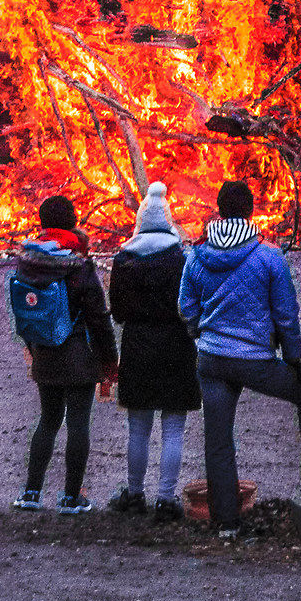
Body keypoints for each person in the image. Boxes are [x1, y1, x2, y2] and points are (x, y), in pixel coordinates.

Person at [178, 177, 301, 539]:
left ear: (219, 209)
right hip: (255, 361)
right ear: (251, 210)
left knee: (218, 439)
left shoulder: (196, 256)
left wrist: (199, 331)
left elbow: (185, 306)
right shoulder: (267, 256)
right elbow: (286, 314)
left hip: (212, 360)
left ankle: (226, 524)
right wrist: (292, 358)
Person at [9, 194, 117, 515]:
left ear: (42, 223)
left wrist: (33, 350)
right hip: (79, 354)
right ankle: (71, 498)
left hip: (45, 352)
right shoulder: (78, 265)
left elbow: (22, 312)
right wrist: (109, 360)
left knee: (48, 420)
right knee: (78, 423)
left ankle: (30, 493)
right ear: (72, 221)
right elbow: (99, 317)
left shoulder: (28, 262)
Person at [105, 182, 199, 520]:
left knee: (138, 428)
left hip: (138, 347)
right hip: (177, 346)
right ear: (169, 221)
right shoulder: (184, 259)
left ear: (140, 221)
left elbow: (117, 311)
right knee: (173, 428)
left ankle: (134, 494)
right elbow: (192, 306)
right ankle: (165, 498)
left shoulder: (124, 260)